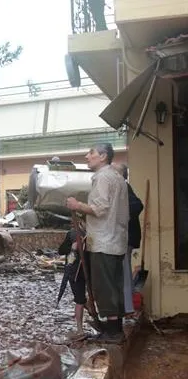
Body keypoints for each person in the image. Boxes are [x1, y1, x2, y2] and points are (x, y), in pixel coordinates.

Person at [66, 143, 128, 342]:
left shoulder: (103, 177)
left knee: (104, 287)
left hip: (104, 241)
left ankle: (113, 332)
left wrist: (77, 205)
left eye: (91, 153)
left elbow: (100, 208)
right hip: (116, 239)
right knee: (114, 285)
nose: (87, 156)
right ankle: (114, 328)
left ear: (103, 156)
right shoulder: (118, 178)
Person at [113, 163, 143, 315]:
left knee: (123, 271)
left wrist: (122, 217)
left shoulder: (123, 186)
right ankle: (128, 305)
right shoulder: (121, 187)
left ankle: (126, 307)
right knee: (125, 270)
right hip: (126, 236)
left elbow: (137, 205)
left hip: (125, 237)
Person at [57, 224, 88, 337]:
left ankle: (90, 311)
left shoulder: (94, 234)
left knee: (84, 299)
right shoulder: (72, 234)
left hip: (88, 272)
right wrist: (72, 247)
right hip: (75, 272)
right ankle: (80, 329)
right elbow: (61, 250)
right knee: (80, 300)